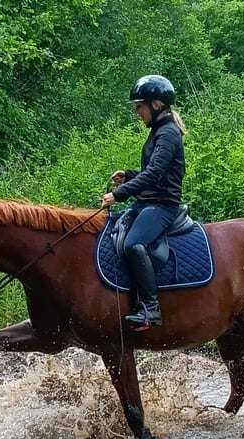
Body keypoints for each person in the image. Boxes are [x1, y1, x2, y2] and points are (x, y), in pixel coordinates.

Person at [101, 74, 187, 330]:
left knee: (134, 244)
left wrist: (119, 194)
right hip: (149, 201)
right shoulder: (159, 132)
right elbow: (153, 173)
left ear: (156, 105)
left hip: (163, 206)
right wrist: (129, 176)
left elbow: (155, 175)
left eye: (139, 106)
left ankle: (151, 309)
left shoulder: (168, 134)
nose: (137, 112)